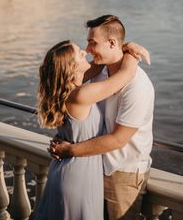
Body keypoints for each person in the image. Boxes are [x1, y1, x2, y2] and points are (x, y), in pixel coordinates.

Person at [51, 15, 155, 220]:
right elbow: (66, 73)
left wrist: (69, 149)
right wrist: (129, 50)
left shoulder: (137, 86)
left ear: (112, 43)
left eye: (92, 43)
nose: (88, 49)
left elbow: (119, 139)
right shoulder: (100, 72)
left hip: (122, 174)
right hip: (94, 166)